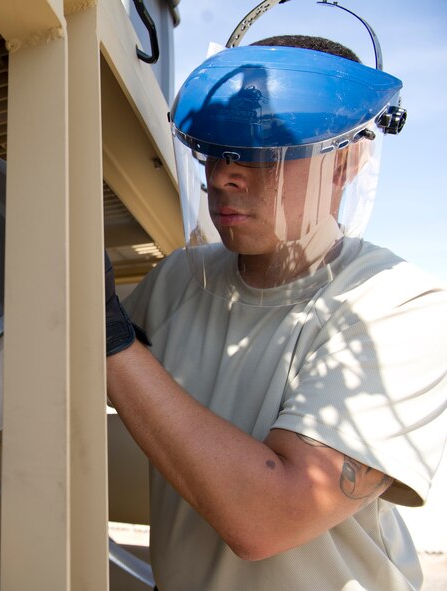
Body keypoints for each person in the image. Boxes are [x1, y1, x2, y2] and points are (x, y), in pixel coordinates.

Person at [104, 26, 447, 591]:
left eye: (261, 150)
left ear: (346, 162)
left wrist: (111, 344)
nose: (221, 176)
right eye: (213, 150)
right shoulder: (179, 280)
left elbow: (267, 519)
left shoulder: (399, 306)